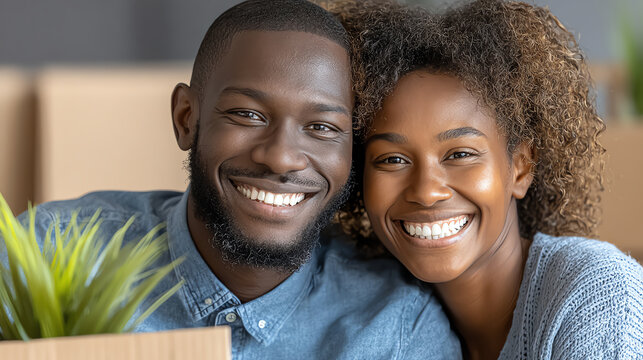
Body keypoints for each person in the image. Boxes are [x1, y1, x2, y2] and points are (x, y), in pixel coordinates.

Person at [5, 0, 463, 358]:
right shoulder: (47, 254)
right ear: (187, 119)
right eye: (247, 114)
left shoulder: (396, 328)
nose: (281, 158)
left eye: (322, 128)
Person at [331, 0, 643, 359]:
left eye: (460, 154)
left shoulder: (595, 291)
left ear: (521, 168)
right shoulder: (376, 311)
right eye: (392, 159)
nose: (427, 192)